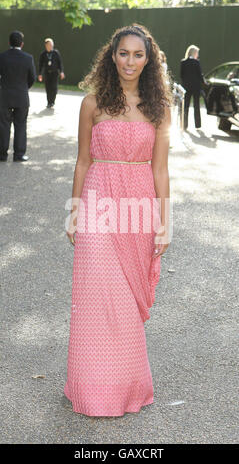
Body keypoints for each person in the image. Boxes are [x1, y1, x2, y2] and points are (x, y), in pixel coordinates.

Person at [64, 24, 173, 417]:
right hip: (96, 200)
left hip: (138, 207)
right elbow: (82, 160)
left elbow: (161, 170)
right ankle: (89, 388)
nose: (130, 61)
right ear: (112, 56)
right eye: (123, 53)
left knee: (125, 301)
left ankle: (126, 388)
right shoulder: (92, 102)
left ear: (149, 59)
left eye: (138, 54)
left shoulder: (159, 107)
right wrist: (74, 211)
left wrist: (165, 220)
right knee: (95, 297)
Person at [0, 30, 36, 162]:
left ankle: (2, 154)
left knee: (3, 125)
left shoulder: (2, 57)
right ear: (22, 44)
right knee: (21, 125)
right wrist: (23, 88)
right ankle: (19, 154)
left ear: (9, 42)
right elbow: (32, 78)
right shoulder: (28, 58)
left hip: (4, 97)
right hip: (22, 97)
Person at [180, 44, 204, 130]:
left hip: (186, 87)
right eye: (197, 52)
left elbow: (181, 75)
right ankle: (197, 125)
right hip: (196, 87)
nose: (198, 54)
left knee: (185, 106)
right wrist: (204, 83)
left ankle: (184, 125)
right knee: (196, 106)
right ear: (194, 53)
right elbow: (199, 75)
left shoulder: (183, 62)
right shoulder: (196, 62)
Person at [38, 38, 65, 108]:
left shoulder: (56, 53)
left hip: (55, 73)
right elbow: (40, 64)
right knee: (48, 88)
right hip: (47, 73)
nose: (50, 46)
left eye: (51, 44)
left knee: (54, 87)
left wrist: (62, 72)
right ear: (46, 45)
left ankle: (52, 101)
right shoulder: (43, 54)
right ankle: (49, 102)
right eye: (48, 45)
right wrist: (40, 74)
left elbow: (60, 63)